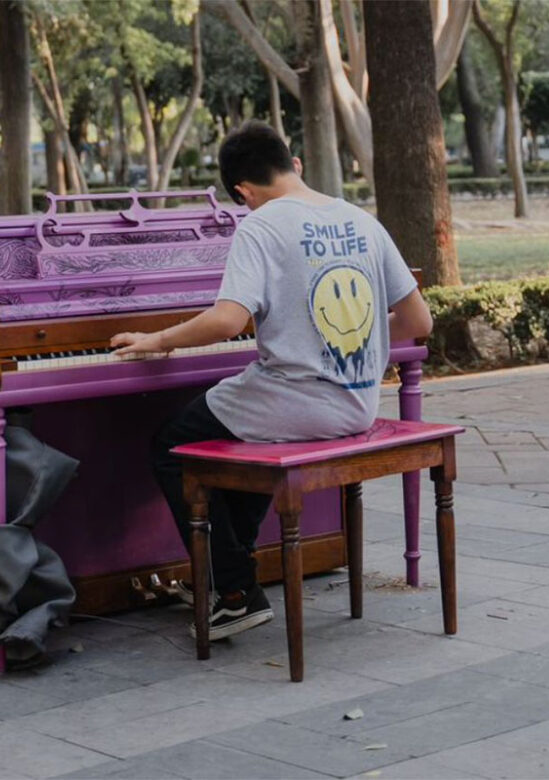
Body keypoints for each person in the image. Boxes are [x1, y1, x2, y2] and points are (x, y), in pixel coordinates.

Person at [111, 121, 434, 641]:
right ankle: (226, 582)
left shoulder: (260, 226)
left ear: (242, 191)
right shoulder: (362, 220)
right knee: (239, 439)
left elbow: (227, 321)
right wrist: (349, 340)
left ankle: (235, 590)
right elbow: (420, 323)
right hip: (357, 405)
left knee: (171, 445)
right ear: (295, 165)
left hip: (297, 402)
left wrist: (157, 340)